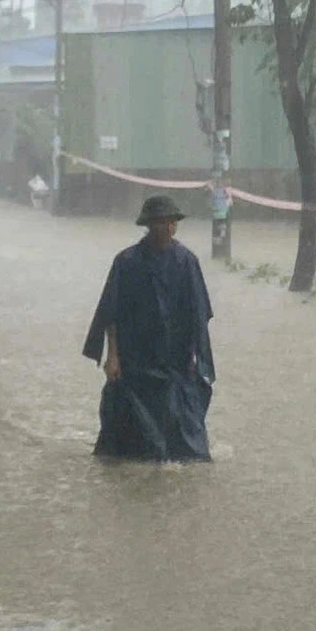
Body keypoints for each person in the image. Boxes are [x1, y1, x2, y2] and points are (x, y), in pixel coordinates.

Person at [81, 195, 216, 461]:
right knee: (127, 430)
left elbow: (198, 315)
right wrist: (113, 356)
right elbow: (111, 312)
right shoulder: (127, 262)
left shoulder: (187, 262)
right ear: (148, 226)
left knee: (186, 435)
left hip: (175, 356)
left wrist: (196, 357)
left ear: (175, 226)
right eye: (159, 223)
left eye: (169, 222)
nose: (165, 228)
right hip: (135, 355)